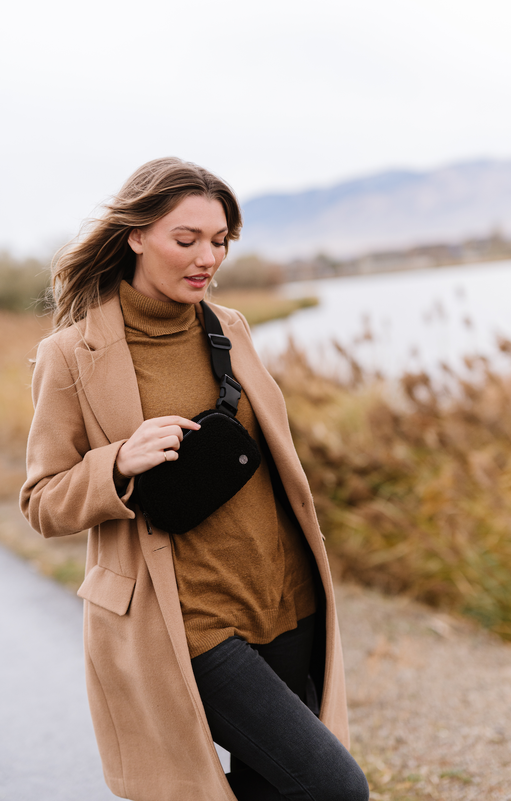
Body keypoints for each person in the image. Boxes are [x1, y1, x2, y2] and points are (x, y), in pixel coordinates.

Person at [20, 157, 369, 801]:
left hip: (287, 599)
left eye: (220, 241)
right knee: (333, 787)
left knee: (273, 787)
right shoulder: (70, 355)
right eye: (187, 240)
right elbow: (41, 502)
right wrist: (117, 462)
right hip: (189, 622)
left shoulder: (229, 326)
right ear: (137, 235)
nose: (206, 257)